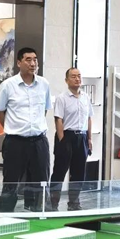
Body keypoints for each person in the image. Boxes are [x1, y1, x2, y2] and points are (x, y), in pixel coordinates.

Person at [0, 47, 52, 212]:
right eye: (28, 60)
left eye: (35, 59)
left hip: (39, 141)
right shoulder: (8, 85)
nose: (33, 63)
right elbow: (0, 111)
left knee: (41, 181)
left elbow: (44, 110)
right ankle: (5, 216)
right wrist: (12, 127)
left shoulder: (44, 84)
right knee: (11, 182)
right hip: (15, 142)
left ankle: (39, 213)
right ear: (19, 63)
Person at [49, 68, 93, 211]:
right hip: (67, 136)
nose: (77, 79)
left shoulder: (86, 97)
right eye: (73, 76)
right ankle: (53, 204)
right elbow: (58, 120)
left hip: (82, 137)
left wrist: (89, 139)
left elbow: (89, 118)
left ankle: (74, 203)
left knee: (79, 172)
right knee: (59, 171)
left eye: (79, 76)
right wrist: (62, 140)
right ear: (66, 80)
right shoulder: (62, 98)